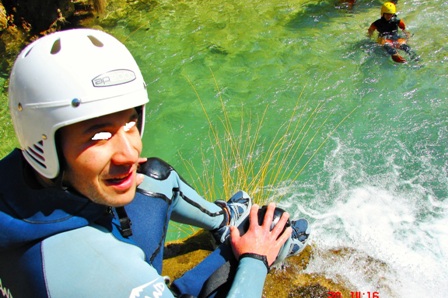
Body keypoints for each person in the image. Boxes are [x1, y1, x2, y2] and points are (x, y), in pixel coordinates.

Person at [0, 28, 311, 297]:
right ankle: (263, 242)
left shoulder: (14, 183)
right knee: (272, 225)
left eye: (131, 123)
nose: (130, 152)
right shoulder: (106, 272)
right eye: (98, 136)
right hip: (120, 278)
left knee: (153, 176)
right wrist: (256, 260)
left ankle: (224, 219)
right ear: (43, 143)